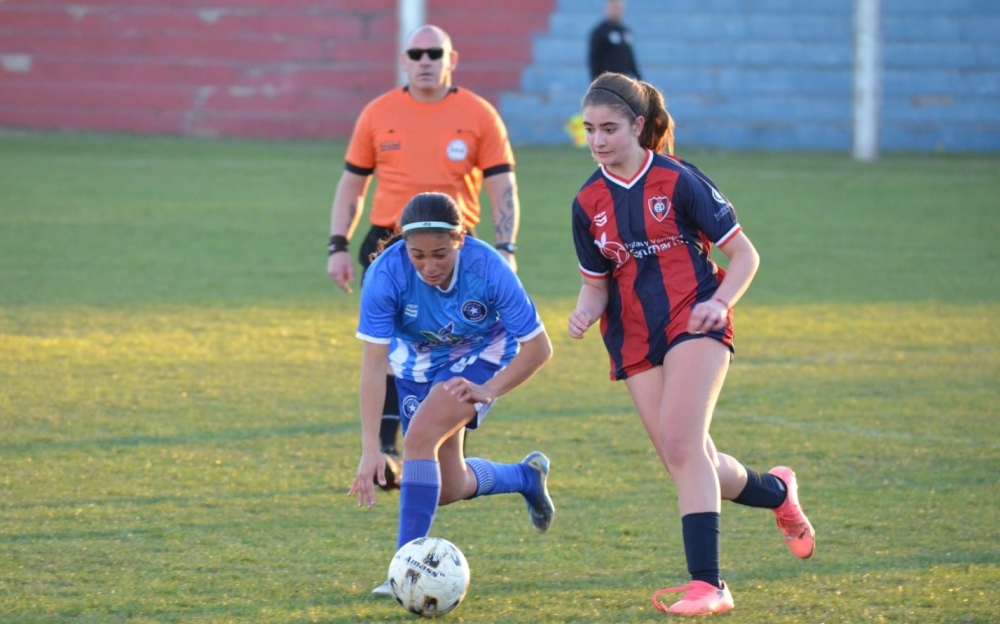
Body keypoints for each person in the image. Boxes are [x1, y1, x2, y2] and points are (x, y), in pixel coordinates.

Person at [567, 73, 815, 616]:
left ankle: (709, 585)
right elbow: (596, 285)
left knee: (683, 446)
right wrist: (584, 312)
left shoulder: (679, 180)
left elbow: (745, 256)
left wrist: (720, 302)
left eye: (609, 129)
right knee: (685, 459)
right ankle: (778, 493)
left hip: (695, 317)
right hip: (633, 337)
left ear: (638, 125)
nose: (598, 140)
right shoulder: (586, 201)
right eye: (589, 130)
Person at [327, 25, 522, 487]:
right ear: (404, 60)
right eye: (416, 54)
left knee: (459, 344)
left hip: (456, 248)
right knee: (389, 348)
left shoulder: (479, 114)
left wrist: (506, 247)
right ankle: (386, 453)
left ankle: (447, 450)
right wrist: (338, 244)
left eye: (435, 53)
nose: (425, 61)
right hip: (388, 242)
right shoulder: (378, 113)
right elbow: (352, 184)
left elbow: (503, 187)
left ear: (451, 58)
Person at [348, 192, 555, 597]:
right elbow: (373, 366)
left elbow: (539, 348)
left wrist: (488, 389)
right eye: (418, 255)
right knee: (448, 487)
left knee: (419, 437)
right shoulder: (385, 274)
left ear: (460, 239)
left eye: (440, 254)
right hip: (417, 365)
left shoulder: (487, 267)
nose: (429, 266)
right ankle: (525, 477)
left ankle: (405, 569)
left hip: (482, 355)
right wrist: (370, 448)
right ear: (404, 244)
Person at [588, 0, 642, 80]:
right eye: (614, 7)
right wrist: (597, 81)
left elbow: (630, 59)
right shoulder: (599, 32)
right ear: (607, 8)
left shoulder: (625, 31)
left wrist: (639, 79)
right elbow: (594, 60)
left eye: (619, 8)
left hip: (624, 80)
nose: (617, 10)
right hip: (607, 81)